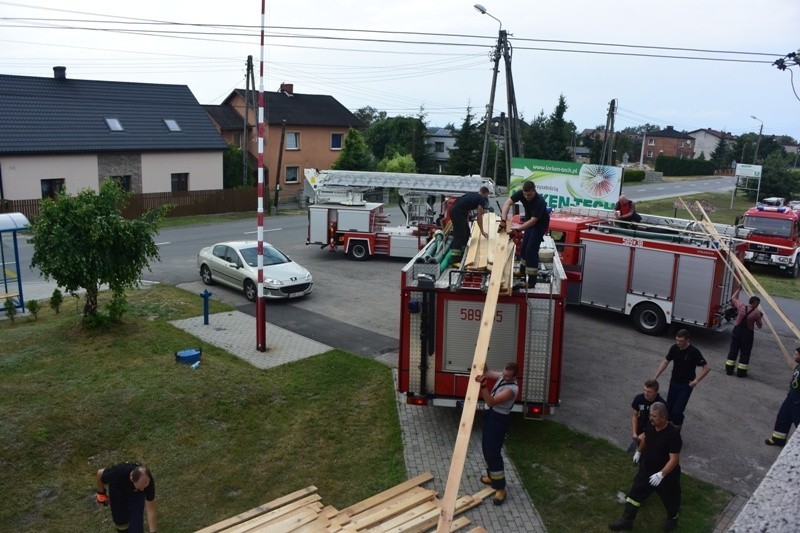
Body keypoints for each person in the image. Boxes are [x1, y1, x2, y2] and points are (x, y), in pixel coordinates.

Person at [609, 402, 682, 532]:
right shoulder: (651, 425)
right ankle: (627, 520)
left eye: (654, 416)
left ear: (664, 417)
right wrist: (639, 451)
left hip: (667, 476)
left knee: (670, 499)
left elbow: (674, 459)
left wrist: (661, 474)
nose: (651, 418)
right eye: (650, 415)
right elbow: (646, 439)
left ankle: (673, 518)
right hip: (647, 469)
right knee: (634, 494)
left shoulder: (673, 434)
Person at [475, 362, 519, 506]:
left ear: (513, 377)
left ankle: (500, 488)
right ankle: (491, 476)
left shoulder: (511, 389)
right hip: (490, 416)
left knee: (493, 453)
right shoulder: (502, 376)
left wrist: (483, 385)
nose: (504, 376)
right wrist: (482, 354)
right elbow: (487, 371)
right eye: (504, 373)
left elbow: (491, 401)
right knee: (486, 448)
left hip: (499, 420)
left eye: (507, 376)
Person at [652, 329, 710, 431]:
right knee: (668, 408)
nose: (678, 343)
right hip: (674, 382)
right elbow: (665, 362)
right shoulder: (674, 348)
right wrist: (655, 377)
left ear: (687, 340)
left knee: (677, 411)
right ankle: (666, 430)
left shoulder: (694, 351)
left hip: (686, 385)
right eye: (677, 340)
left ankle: (676, 430)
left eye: (681, 341)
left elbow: (706, 368)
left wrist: (696, 381)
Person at [498, 181, 550, 288]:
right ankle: (522, 271)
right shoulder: (521, 193)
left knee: (531, 250)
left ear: (534, 191)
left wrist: (518, 229)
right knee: (524, 246)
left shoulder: (540, 201)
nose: (527, 197)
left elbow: (534, 220)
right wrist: (503, 220)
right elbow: (507, 203)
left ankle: (531, 282)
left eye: (529, 194)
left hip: (539, 225)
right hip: (529, 222)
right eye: (525, 194)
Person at [95, 463, 157, 533]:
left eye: (145, 487)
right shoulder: (119, 472)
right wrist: (101, 493)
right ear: (131, 479)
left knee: (136, 521)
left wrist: (153, 531)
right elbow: (100, 473)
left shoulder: (146, 483)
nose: (143, 490)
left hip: (136, 494)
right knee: (120, 522)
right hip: (118, 490)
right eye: (140, 487)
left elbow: (151, 509)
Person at [765, 347, 800, 447]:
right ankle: (778, 439)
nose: (794, 355)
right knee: (783, 417)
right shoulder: (798, 366)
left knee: (798, 422)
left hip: (798, 402)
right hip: (791, 397)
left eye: (797, 354)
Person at [725, 289, 763, 378]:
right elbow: (760, 326)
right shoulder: (756, 313)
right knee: (745, 352)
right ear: (754, 303)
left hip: (737, 331)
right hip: (747, 334)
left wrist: (738, 289)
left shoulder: (741, 306)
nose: (758, 305)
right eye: (757, 304)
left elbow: (733, 297)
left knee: (733, 350)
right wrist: (761, 317)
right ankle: (741, 373)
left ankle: (729, 370)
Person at [448, 186, 490, 265]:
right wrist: (482, 231)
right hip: (458, 213)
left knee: (466, 232)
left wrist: (466, 225)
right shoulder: (481, 199)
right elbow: (479, 217)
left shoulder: (472, 195)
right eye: (487, 195)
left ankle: (463, 253)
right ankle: (455, 260)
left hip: (455, 210)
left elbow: (466, 211)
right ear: (485, 193)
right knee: (460, 234)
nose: (486, 197)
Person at [628, 379, 665, 452]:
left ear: (656, 392)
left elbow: (660, 424)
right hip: (641, 425)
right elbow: (634, 416)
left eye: (649, 392)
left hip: (654, 428)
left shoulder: (661, 405)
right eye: (644, 390)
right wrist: (634, 433)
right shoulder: (639, 398)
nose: (645, 393)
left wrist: (646, 434)